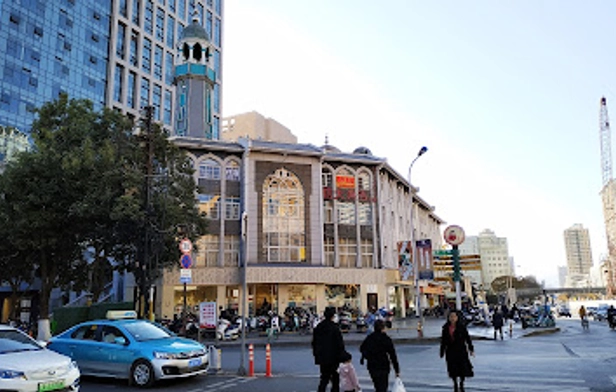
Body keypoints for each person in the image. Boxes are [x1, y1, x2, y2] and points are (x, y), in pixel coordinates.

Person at [360, 319, 400, 392]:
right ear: (383, 328)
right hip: (383, 365)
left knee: (377, 385)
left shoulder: (370, 338)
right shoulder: (386, 339)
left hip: (372, 365)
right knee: (383, 386)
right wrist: (397, 370)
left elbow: (362, 348)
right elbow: (392, 355)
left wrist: (367, 356)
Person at [312, 307, 346, 392]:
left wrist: (316, 354)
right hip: (334, 357)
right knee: (335, 379)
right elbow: (339, 344)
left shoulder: (319, 327)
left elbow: (314, 342)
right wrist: (342, 355)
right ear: (333, 316)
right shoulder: (335, 328)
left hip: (322, 357)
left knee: (324, 378)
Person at [440, 310, 474, 392]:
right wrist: (442, 351)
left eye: (454, 317)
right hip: (450, 351)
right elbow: (443, 341)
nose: (452, 318)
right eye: (451, 317)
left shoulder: (461, 327)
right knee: (452, 368)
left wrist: (471, 349)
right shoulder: (445, 328)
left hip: (461, 350)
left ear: (457, 318)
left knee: (462, 368)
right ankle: (455, 383)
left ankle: (462, 383)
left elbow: (467, 338)